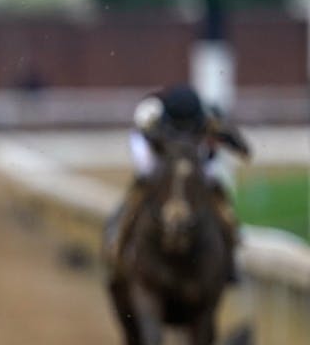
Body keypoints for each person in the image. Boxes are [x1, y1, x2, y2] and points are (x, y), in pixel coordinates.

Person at [107, 84, 251, 276]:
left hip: (197, 167)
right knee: (136, 197)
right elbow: (143, 150)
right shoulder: (152, 122)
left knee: (222, 204)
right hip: (158, 165)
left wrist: (235, 145)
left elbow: (238, 145)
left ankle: (231, 257)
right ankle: (118, 248)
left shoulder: (207, 121)